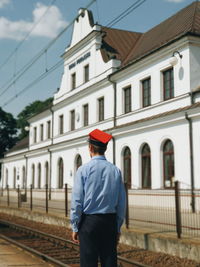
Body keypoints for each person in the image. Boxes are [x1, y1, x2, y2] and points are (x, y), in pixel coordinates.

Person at [70, 128, 126, 267]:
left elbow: (77, 201)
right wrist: (117, 227)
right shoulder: (115, 170)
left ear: (90, 147)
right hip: (109, 222)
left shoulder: (83, 170)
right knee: (109, 261)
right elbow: (121, 203)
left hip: (89, 223)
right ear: (105, 148)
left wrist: (75, 226)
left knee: (88, 262)